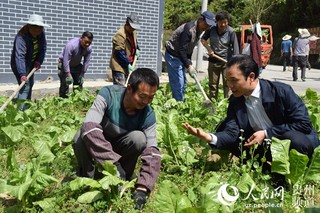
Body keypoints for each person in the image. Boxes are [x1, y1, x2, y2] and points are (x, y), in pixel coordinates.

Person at [182, 54, 320, 185]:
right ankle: (268, 171)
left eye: (234, 80)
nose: (230, 85)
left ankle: (296, 175)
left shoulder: (281, 92)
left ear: (251, 77)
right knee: (225, 130)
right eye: (228, 80)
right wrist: (209, 137)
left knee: (294, 139)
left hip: (294, 143)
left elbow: (303, 125)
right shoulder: (236, 100)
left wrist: (266, 133)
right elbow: (231, 132)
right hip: (264, 145)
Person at [72, 68, 161, 210]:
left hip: (121, 147)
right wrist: (113, 162)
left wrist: (143, 188)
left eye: (151, 97)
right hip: (98, 145)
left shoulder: (148, 115)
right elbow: (89, 127)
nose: (146, 101)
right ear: (130, 88)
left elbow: (153, 153)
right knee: (79, 137)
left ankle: (122, 177)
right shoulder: (108, 95)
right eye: (142, 96)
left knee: (139, 138)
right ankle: (88, 178)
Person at [165, 11, 215, 101]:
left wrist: (189, 62)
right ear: (200, 20)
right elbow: (181, 49)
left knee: (183, 82)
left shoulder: (200, 30)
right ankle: (178, 105)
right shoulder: (189, 29)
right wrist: (188, 65)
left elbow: (189, 49)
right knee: (178, 83)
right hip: (173, 55)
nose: (208, 27)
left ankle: (180, 101)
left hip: (181, 56)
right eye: (207, 24)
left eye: (209, 26)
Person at [10, 14, 49, 111]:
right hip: (19, 65)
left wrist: (39, 61)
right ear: (29, 26)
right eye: (35, 28)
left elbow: (43, 48)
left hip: (32, 64)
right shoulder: (21, 37)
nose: (37, 31)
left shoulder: (41, 34)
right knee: (25, 86)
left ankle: (26, 108)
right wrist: (22, 73)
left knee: (30, 84)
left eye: (39, 28)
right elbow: (20, 56)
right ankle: (20, 111)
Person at [201, 11, 239, 100]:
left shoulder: (231, 31)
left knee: (228, 84)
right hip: (213, 61)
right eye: (221, 22)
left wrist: (235, 64)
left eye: (225, 22)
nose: (223, 24)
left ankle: (228, 103)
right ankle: (212, 102)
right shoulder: (211, 29)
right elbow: (203, 39)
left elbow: (236, 50)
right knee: (213, 85)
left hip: (227, 62)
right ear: (217, 21)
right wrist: (209, 49)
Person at [58, 31, 93, 98]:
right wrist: (68, 74)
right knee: (64, 85)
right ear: (81, 39)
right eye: (86, 42)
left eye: (90, 42)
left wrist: (82, 74)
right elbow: (66, 60)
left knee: (78, 85)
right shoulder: (71, 45)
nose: (87, 44)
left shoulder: (89, 48)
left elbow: (86, 61)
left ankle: (77, 99)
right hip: (64, 64)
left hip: (76, 65)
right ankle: (63, 100)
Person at [110, 13, 141, 86]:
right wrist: (127, 64)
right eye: (131, 27)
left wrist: (138, 49)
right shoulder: (120, 34)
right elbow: (119, 52)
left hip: (129, 63)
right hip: (119, 65)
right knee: (120, 88)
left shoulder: (133, 32)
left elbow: (135, 42)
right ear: (127, 24)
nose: (133, 29)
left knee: (128, 88)